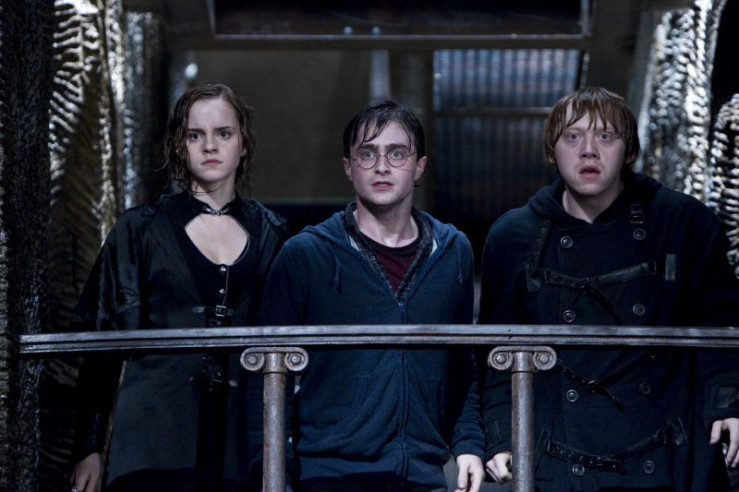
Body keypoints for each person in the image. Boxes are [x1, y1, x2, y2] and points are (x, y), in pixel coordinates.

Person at [480, 86, 739, 491]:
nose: (588, 151)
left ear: (628, 150)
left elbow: (721, 325)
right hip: (557, 462)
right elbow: (496, 351)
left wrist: (728, 402)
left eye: (605, 136)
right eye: (573, 136)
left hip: (665, 457)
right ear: (551, 150)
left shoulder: (684, 223)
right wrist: (500, 435)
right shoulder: (514, 237)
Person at [69, 83, 288, 492]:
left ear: (243, 144)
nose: (210, 146)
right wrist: (89, 447)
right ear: (179, 146)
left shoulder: (273, 234)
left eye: (224, 133)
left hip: (239, 446)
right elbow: (102, 344)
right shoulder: (139, 229)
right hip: (153, 437)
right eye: (195, 135)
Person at [258, 100, 485, 491]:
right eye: (367, 154)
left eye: (397, 154)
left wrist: (467, 443)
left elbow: (460, 363)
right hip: (327, 476)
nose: (382, 166)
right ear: (348, 167)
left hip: (423, 475)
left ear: (419, 166)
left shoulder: (453, 252)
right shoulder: (307, 255)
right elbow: (266, 374)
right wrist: (270, 469)